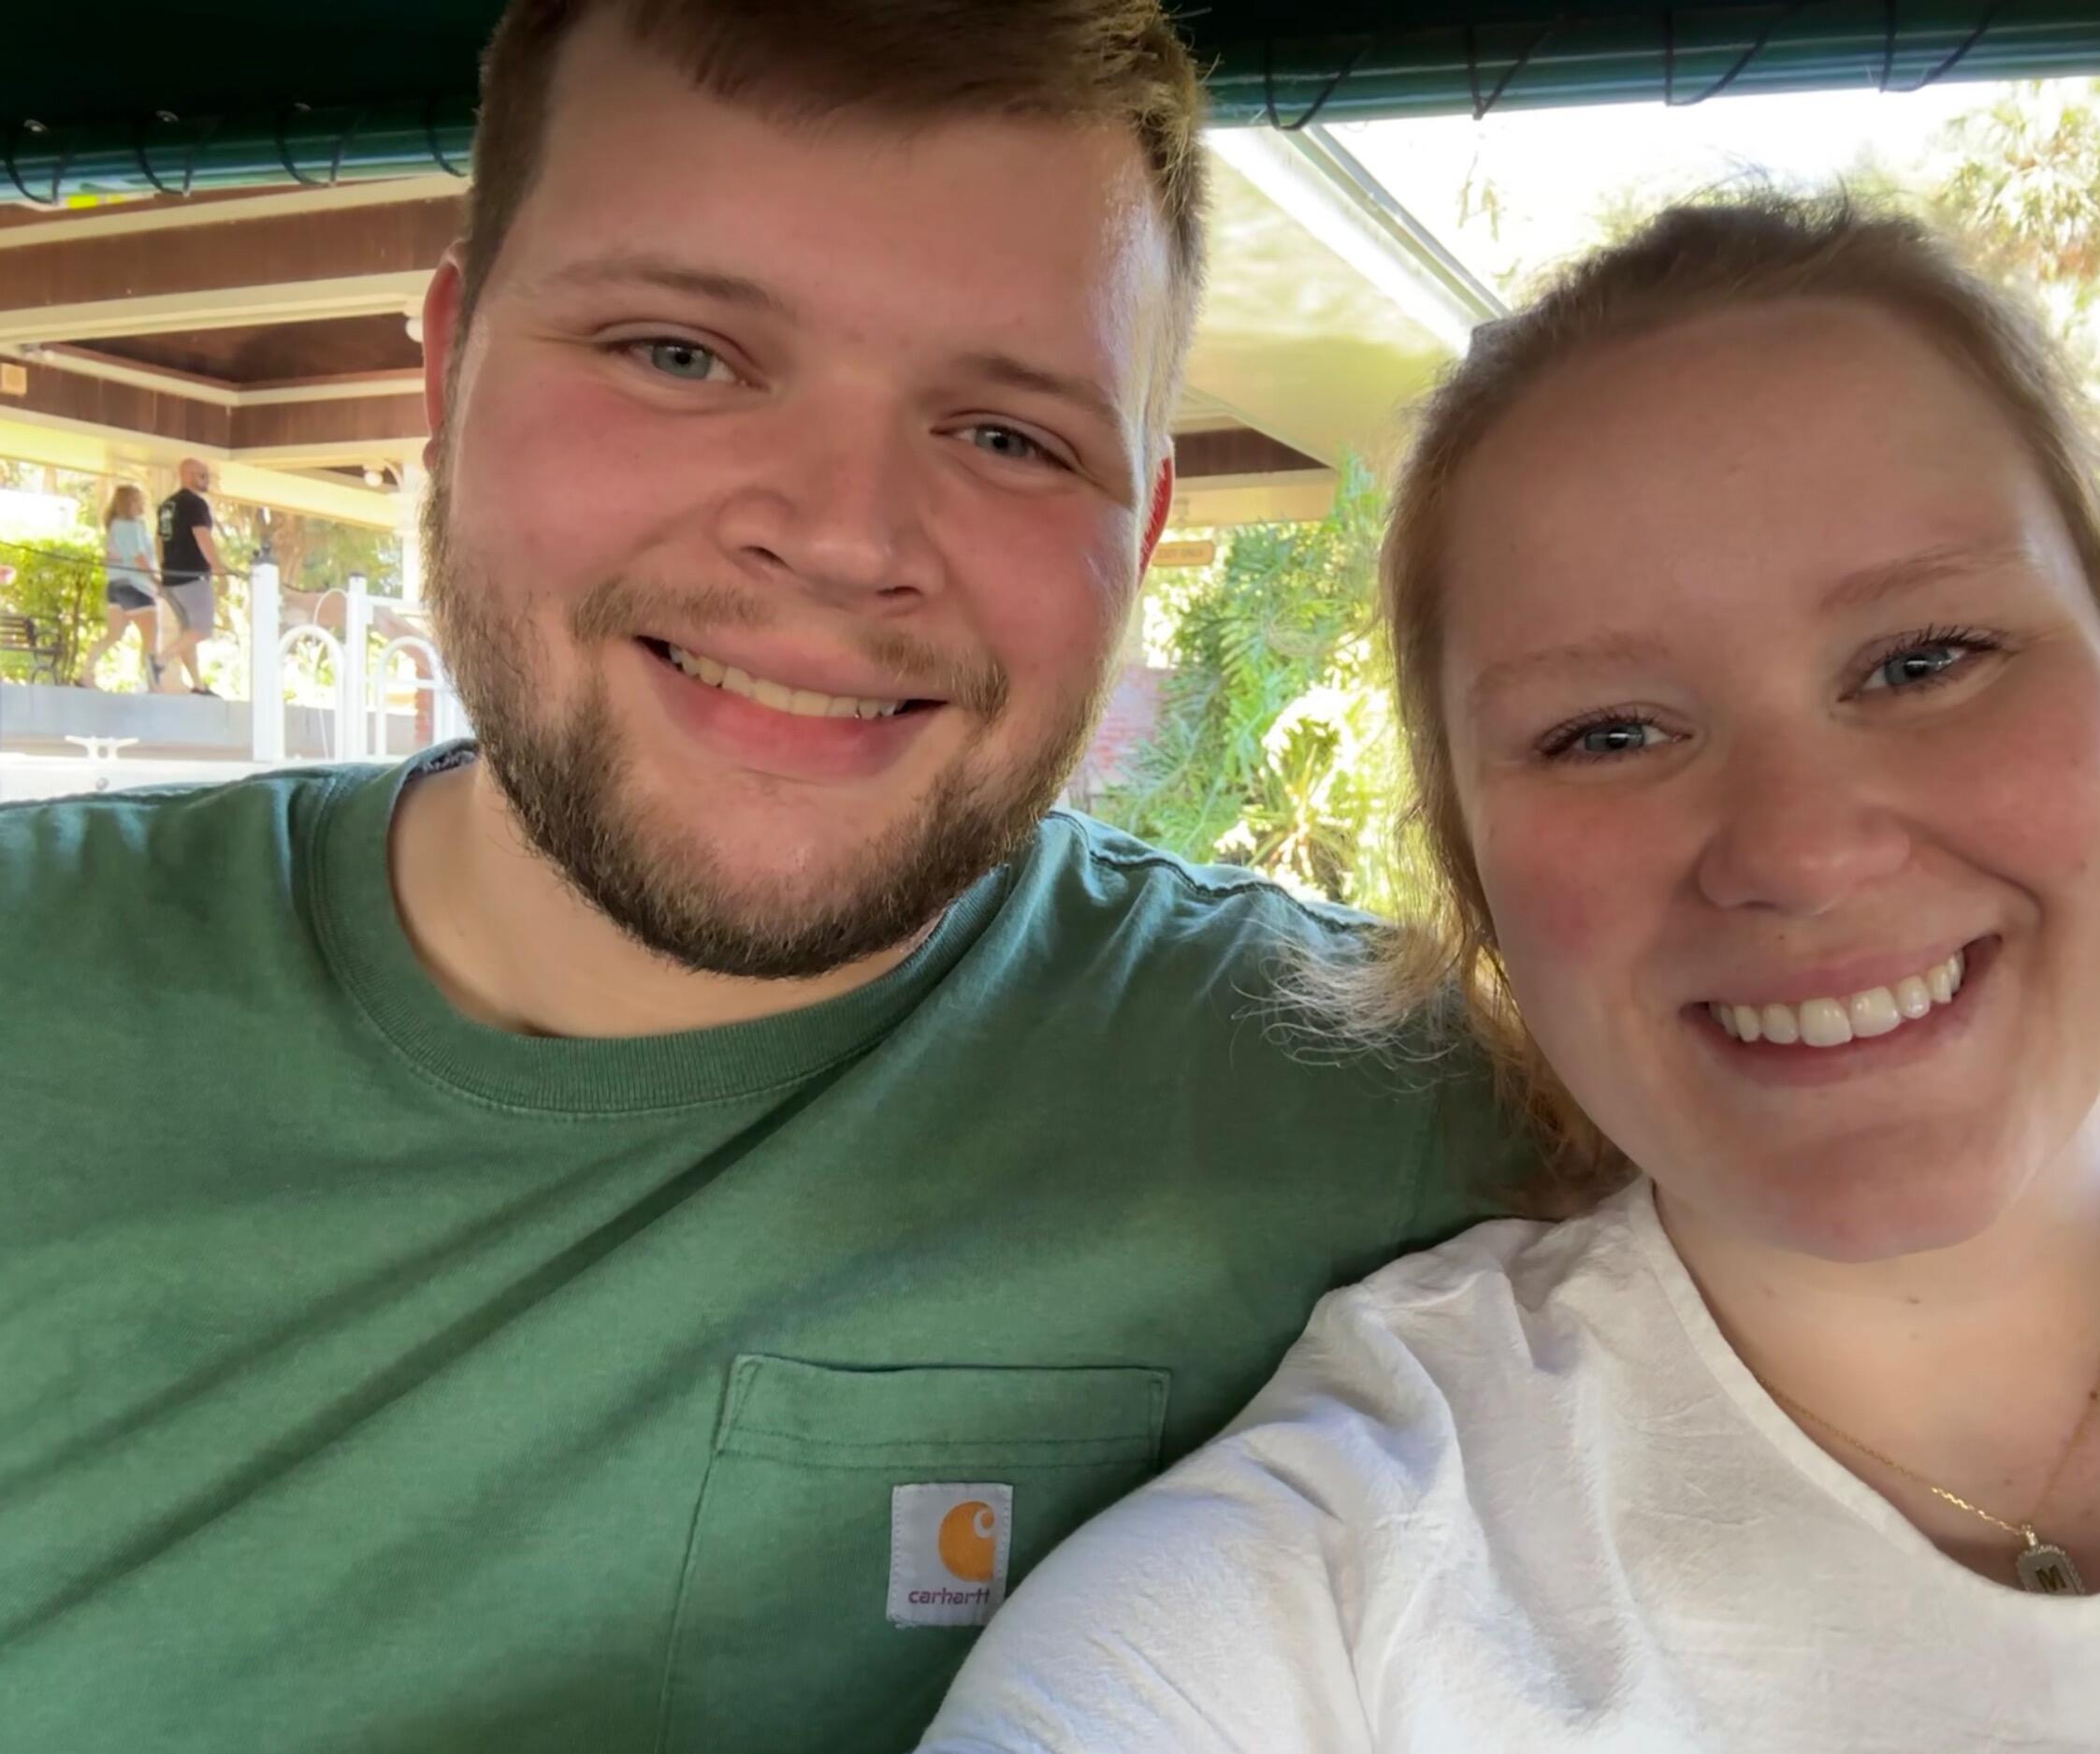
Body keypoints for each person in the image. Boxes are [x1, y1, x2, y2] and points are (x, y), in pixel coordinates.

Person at [0, 5, 1528, 1752]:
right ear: (447, 379)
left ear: (1145, 530)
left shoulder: (1369, 1101)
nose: (842, 533)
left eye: (1012, 436)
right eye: (677, 353)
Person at [920, 194, 2100, 1752]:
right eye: (1606, 734)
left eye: (1924, 660)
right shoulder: (1328, 1578)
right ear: (1472, 877)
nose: (1798, 852)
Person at [75, 482, 162, 689]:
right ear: (128, 503)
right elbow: (139, 558)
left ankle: (85, 673)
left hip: (115, 586)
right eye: (138, 501)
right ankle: (152, 684)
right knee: (150, 636)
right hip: (136, 587)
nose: (142, 505)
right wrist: (157, 582)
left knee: (114, 634)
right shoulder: (133, 526)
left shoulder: (114, 527)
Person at [154, 454, 222, 694]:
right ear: (188, 476)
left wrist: (163, 570)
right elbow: (201, 535)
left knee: (187, 632)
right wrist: (218, 566)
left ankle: (198, 684)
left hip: (171, 578)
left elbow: (160, 540)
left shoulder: (167, 506)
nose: (207, 481)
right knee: (202, 629)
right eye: (203, 476)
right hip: (192, 576)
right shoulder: (195, 504)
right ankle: (160, 661)